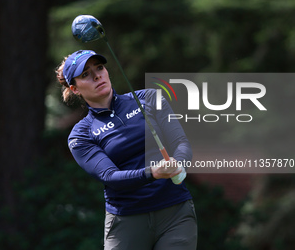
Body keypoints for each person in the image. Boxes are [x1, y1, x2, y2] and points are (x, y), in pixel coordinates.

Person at [55, 50, 197, 250]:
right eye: (85, 74)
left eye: (99, 67)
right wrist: (153, 173)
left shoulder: (149, 98)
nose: (97, 75)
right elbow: (110, 176)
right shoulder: (81, 134)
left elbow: (181, 142)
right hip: (127, 221)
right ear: (75, 88)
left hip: (174, 213)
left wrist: (179, 163)